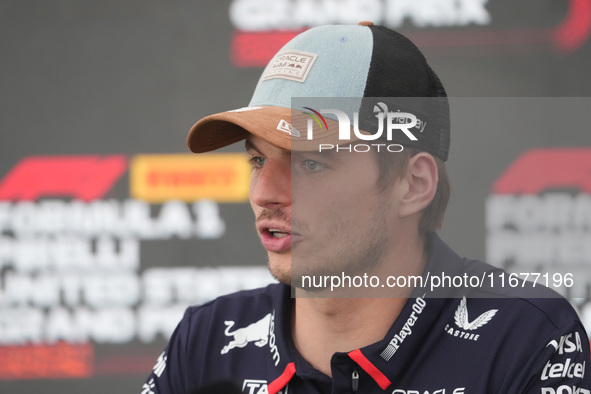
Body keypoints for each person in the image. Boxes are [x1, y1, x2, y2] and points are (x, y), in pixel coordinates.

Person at [142, 23, 590, 394]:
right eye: (258, 159)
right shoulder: (207, 340)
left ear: (412, 185)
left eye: (310, 162)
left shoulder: (527, 338)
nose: (264, 193)